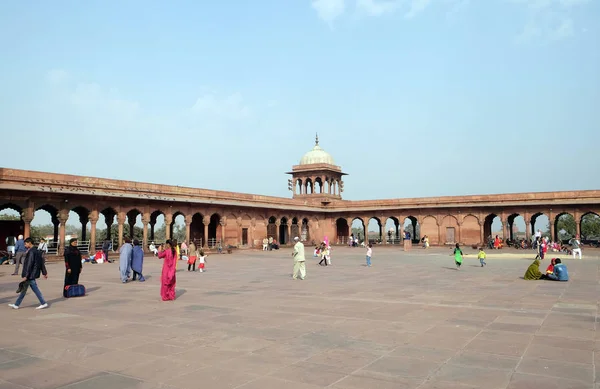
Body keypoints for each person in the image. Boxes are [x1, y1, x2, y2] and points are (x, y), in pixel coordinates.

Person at [9, 238, 48, 310]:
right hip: (32, 273)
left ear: (29, 243)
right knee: (24, 289)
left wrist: (26, 276)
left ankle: (43, 303)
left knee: (34, 289)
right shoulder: (37, 251)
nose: (25, 245)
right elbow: (41, 263)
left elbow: (29, 264)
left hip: (30, 274)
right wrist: (44, 272)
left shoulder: (31, 252)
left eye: (25, 243)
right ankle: (16, 304)